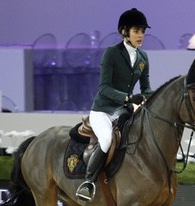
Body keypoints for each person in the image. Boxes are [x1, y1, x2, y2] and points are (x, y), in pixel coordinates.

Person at [75, 8, 154, 202]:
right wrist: (128, 98)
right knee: (107, 140)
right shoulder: (111, 53)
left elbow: (146, 88)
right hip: (103, 110)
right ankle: (88, 182)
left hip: (123, 112)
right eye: (136, 31)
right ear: (124, 31)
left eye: (143, 31)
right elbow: (104, 88)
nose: (141, 35)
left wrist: (161, 96)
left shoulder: (143, 58)